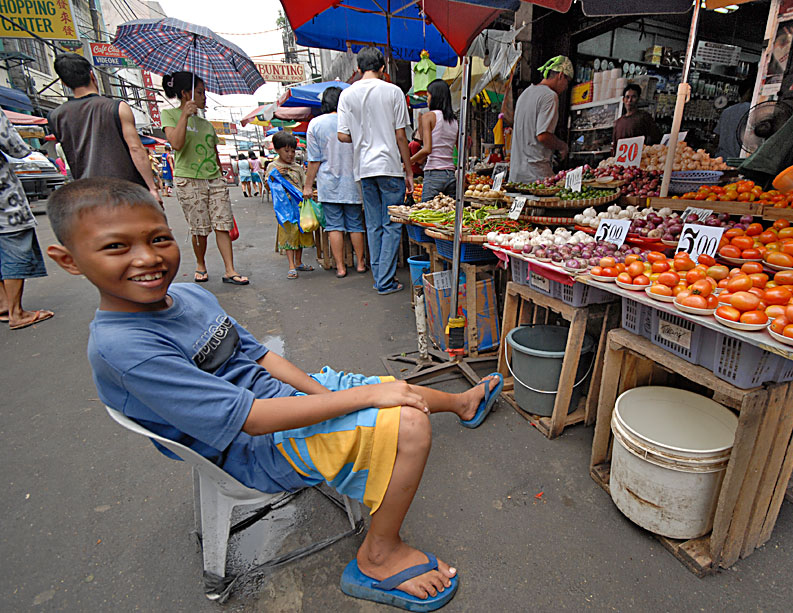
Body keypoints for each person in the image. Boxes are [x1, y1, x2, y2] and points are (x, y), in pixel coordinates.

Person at [44, 177, 504, 611]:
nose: (147, 258)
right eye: (115, 247)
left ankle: (463, 403)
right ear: (68, 259)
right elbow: (251, 420)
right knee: (408, 423)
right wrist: (359, 401)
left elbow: (261, 356)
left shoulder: (189, 297)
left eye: (159, 239)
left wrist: (322, 389)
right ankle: (377, 558)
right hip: (247, 447)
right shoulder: (124, 347)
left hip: (274, 403)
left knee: (391, 389)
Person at [337, 46, 413, 296]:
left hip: (364, 169)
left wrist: (362, 136)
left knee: (373, 224)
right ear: (383, 68)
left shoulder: (346, 95)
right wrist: (409, 171)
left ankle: (381, 276)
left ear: (358, 68)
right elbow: (401, 136)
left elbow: (342, 135)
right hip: (389, 167)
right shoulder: (394, 92)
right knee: (390, 224)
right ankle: (384, 280)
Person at [161, 71, 248, 286]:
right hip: (188, 179)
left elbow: (214, 154)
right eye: (199, 92)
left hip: (214, 179)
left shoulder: (207, 124)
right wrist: (184, 116)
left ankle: (230, 270)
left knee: (222, 224)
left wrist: (221, 176)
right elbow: (176, 144)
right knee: (199, 227)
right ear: (185, 93)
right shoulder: (169, 115)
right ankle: (201, 264)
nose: (204, 97)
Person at [48, 53, 161, 204]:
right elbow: (136, 148)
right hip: (127, 190)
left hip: (88, 193)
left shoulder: (56, 116)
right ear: (92, 75)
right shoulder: (117, 107)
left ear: (64, 82)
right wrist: (152, 188)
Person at [305, 86, 368, 279]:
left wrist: (308, 185)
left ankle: (340, 267)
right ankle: (361, 263)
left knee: (334, 226)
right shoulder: (352, 121)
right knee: (356, 225)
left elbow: (314, 160)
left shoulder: (315, 124)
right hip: (353, 182)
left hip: (328, 183)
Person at [0, 112, 53, 330]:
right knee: (15, 241)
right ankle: (16, 312)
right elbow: (16, 148)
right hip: (4, 196)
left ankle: (3, 305)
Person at [508, 55, 572, 183]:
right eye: (567, 81)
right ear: (560, 75)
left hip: (516, 175)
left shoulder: (526, 93)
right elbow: (543, 135)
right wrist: (562, 146)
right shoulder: (550, 96)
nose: (566, 87)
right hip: (535, 176)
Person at [265, 132, 315, 279]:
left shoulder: (298, 168)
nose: (290, 154)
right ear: (277, 150)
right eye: (286, 151)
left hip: (299, 206)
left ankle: (299, 262)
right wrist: (274, 176)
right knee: (288, 235)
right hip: (284, 210)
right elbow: (268, 186)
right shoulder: (273, 166)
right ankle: (291, 266)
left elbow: (304, 184)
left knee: (300, 233)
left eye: (293, 151)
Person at [410, 79, 459, 201]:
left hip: (434, 173)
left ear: (435, 96)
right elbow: (458, 150)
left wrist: (408, 162)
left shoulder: (429, 116)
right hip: (451, 174)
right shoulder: (454, 121)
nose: (427, 100)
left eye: (428, 96)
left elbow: (427, 149)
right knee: (448, 214)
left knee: (426, 214)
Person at [715, 78, 754, 160]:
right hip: (740, 161)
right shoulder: (752, 111)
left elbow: (716, 138)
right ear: (750, 92)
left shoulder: (726, 111)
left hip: (721, 160)